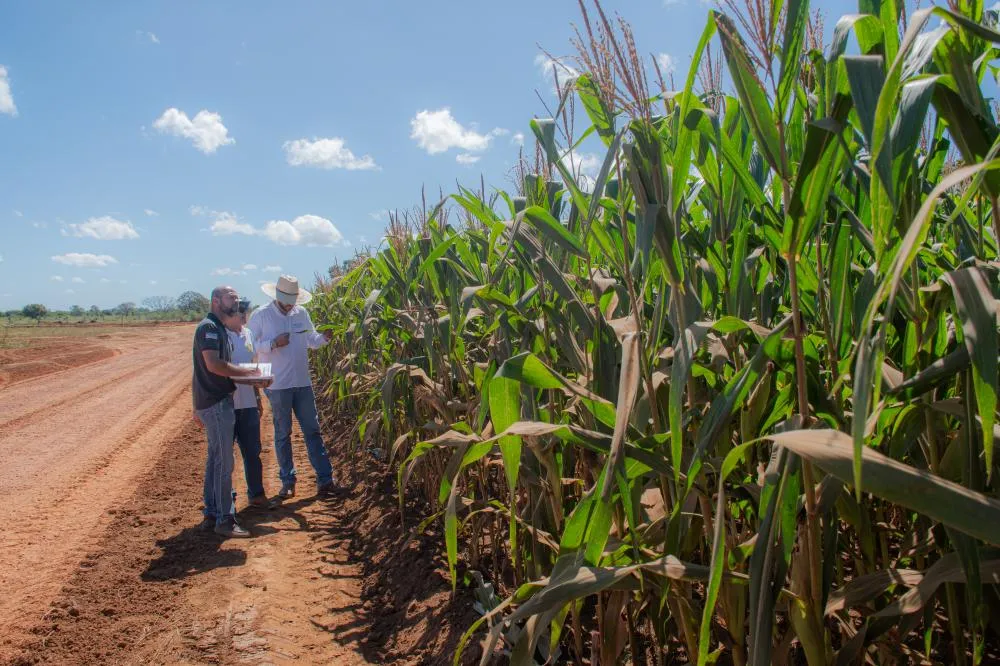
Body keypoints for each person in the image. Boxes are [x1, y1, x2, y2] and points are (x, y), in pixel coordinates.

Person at [248, 274, 338, 500]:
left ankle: (325, 480)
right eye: (287, 299)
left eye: (293, 300)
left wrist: (324, 338)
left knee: (313, 431)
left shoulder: (301, 313)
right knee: (283, 433)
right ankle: (288, 481)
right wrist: (273, 343)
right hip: (277, 385)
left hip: (302, 383)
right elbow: (250, 346)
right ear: (277, 296)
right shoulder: (262, 315)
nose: (290, 304)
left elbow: (311, 340)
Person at [192, 285, 263, 538]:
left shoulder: (217, 328)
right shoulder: (209, 328)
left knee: (216, 460)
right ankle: (225, 519)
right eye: (230, 297)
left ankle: (212, 513)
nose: (235, 300)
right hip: (217, 402)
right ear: (215, 301)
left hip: (217, 401)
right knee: (224, 463)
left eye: (236, 297)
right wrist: (251, 374)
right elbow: (213, 365)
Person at [226, 297, 270, 509]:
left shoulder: (249, 334)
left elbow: (251, 365)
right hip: (227, 404)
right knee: (226, 456)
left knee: (252, 451)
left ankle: (256, 493)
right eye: (240, 312)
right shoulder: (221, 336)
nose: (244, 316)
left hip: (248, 404)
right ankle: (226, 500)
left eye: (246, 312)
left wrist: (257, 396)